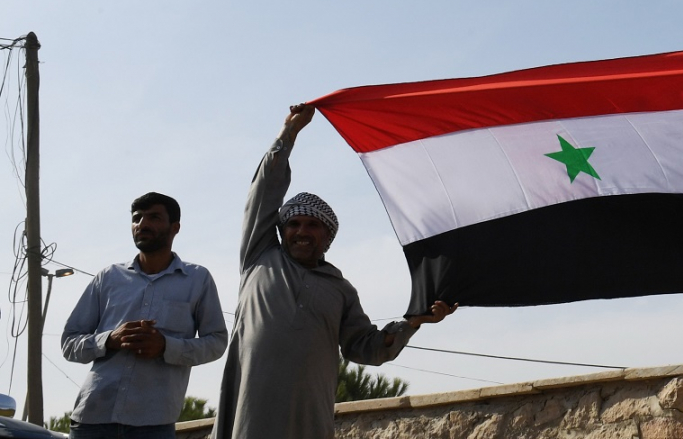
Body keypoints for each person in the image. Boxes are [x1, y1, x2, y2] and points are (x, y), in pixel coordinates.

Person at [211, 104, 457, 439]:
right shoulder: (260, 256)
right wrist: (290, 132)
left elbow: (366, 347)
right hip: (249, 416)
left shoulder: (340, 289)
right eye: (294, 223)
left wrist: (414, 321)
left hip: (309, 419)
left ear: (327, 236)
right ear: (281, 230)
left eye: (312, 225)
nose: (301, 231)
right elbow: (264, 190)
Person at [60, 192, 227, 438]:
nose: (142, 224)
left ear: (175, 227)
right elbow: (69, 342)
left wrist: (166, 346)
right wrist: (108, 340)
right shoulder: (108, 278)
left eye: (154, 217)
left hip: (154, 425)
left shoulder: (198, 279)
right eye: (137, 218)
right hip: (92, 419)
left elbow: (217, 342)